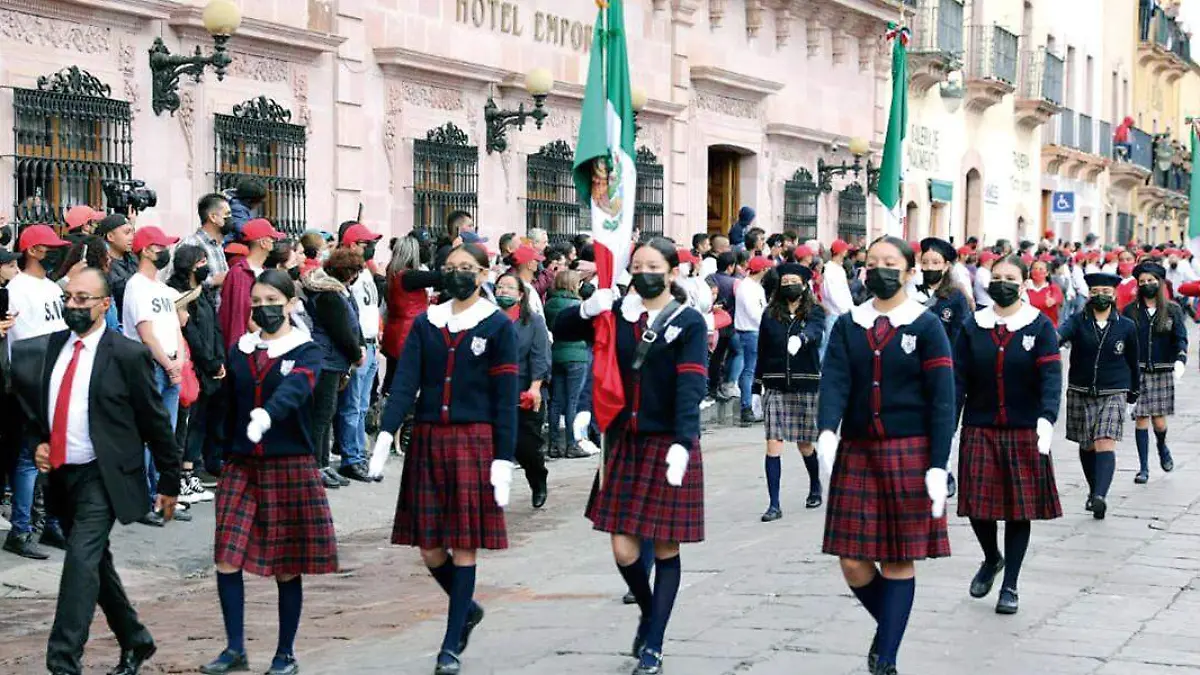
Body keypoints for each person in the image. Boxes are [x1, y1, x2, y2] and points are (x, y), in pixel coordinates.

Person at [12, 268, 179, 675]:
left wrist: (170, 482)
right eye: (70, 298)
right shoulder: (50, 347)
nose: (73, 305)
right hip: (61, 475)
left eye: (84, 300)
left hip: (104, 476)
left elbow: (155, 421)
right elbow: (35, 408)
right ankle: (136, 640)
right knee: (94, 563)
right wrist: (39, 443)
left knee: (79, 562)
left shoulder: (127, 354)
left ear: (106, 304)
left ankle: (63, 662)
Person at [553, 238, 708, 675]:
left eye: (653, 265)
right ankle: (648, 610)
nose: (644, 272)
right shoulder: (617, 314)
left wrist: (684, 440)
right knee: (623, 549)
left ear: (672, 272)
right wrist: (587, 309)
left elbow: (692, 382)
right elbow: (563, 330)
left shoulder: (688, 321)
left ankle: (654, 643)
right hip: (623, 439)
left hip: (666, 440)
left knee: (664, 546)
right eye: (637, 264)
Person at [369, 243, 518, 675]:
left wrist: (503, 459)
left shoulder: (496, 326)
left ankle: (450, 646)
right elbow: (405, 382)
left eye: (466, 268)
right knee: (430, 545)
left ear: (484, 272)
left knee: (465, 543)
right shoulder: (426, 323)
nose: (457, 274)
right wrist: (384, 434)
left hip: (475, 440)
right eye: (450, 268)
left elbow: (505, 397)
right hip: (430, 439)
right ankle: (466, 607)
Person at [816, 236, 954, 675]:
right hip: (858, 450)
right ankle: (890, 627)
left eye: (890, 263)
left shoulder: (926, 326)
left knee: (897, 556)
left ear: (910, 272)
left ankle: (886, 656)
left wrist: (938, 463)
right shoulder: (848, 324)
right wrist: (826, 431)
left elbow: (942, 399)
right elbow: (835, 381)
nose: (880, 269)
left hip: (908, 451)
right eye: (873, 262)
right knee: (853, 561)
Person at [201, 270, 335, 675]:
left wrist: (267, 415)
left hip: (289, 463)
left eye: (272, 300)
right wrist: (217, 452)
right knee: (226, 556)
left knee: (286, 563)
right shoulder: (239, 350)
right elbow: (223, 404)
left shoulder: (307, 350)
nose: (264, 308)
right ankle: (235, 648)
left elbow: (298, 388)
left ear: (291, 302)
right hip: (241, 464)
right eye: (256, 302)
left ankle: (284, 653)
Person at [954, 255, 1063, 616]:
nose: (1002, 283)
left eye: (1010, 278)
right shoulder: (974, 326)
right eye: (996, 276)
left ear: (1022, 283)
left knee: (1019, 510)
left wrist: (1046, 420)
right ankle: (991, 557)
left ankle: (1010, 584)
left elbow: (1050, 378)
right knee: (976, 505)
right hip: (980, 426)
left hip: (1024, 428)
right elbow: (957, 379)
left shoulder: (1039, 326)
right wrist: (946, 427)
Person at [3, 224, 70, 560]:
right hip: (33, 379)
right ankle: (21, 529)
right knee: (31, 458)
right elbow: (21, 342)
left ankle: (49, 524)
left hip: (55, 374)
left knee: (54, 456)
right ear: (32, 250)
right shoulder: (19, 287)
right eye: (48, 247)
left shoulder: (49, 287)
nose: (55, 252)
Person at [1057, 272, 1139, 519]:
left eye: (1106, 292)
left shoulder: (1126, 325)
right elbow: (1059, 335)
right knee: (1087, 444)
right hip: (1081, 389)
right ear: (1088, 295)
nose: (1100, 297)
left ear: (1114, 295)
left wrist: (1134, 392)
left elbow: (1133, 360)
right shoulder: (1077, 321)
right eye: (1095, 292)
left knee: (1105, 440)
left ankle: (1101, 496)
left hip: (1114, 390)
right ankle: (1093, 490)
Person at [122, 226, 187, 527]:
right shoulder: (137, 286)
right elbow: (146, 334)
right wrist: (168, 364)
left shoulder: (162, 289)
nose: (167, 252)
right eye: (162, 247)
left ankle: (166, 497)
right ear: (147, 250)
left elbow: (175, 327)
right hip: (150, 366)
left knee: (166, 438)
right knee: (148, 438)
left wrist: (179, 362)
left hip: (170, 365)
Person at [755, 262, 825, 521]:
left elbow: (817, 331)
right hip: (775, 384)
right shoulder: (770, 314)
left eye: (793, 282)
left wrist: (802, 338)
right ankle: (774, 504)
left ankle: (815, 484)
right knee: (773, 443)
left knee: (805, 443)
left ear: (805, 284)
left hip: (805, 382)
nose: (789, 287)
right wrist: (755, 384)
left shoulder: (815, 311)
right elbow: (762, 349)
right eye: (784, 283)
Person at [166, 245, 223, 502]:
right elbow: (190, 332)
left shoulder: (204, 292)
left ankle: (191, 472)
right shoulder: (177, 294)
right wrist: (208, 362)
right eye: (200, 263)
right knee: (185, 425)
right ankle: (179, 476)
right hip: (194, 366)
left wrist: (218, 360)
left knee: (199, 423)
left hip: (210, 365)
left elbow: (215, 327)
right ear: (189, 265)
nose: (205, 268)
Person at [302, 249, 363, 490]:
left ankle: (323, 463)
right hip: (326, 360)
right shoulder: (329, 294)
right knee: (322, 414)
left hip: (333, 360)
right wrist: (356, 353)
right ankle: (315, 466)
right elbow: (340, 330)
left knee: (327, 414)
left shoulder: (335, 291)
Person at [1122, 261, 1187, 484]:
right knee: (1140, 419)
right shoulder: (1130, 311)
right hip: (1137, 371)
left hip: (1162, 370)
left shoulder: (1173, 310)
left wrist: (1180, 359)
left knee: (1159, 422)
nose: (1147, 284)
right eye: (1142, 281)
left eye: (1151, 281)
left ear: (1159, 283)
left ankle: (1162, 447)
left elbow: (1181, 339)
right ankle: (1143, 468)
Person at [494, 271, 551, 508]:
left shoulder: (533, 321)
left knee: (527, 447)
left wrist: (535, 388)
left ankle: (538, 481)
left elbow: (540, 357)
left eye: (509, 287)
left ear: (520, 294)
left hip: (524, 391)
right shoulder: (489, 319)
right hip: (494, 393)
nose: (503, 291)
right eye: (499, 287)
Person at [335, 223, 383, 482]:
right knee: (352, 406)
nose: (370, 248)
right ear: (352, 245)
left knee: (362, 406)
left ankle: (360, 453)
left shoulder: (366, 273)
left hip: (372, 342)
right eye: (365, 244)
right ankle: (351, 457)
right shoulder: (348, 275)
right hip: (359, 345)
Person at [543, 269, 592, 460]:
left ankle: (553, 445)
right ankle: (571, 444)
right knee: (572, 401)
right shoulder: (578, 305)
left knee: (556, 401)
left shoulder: (549, 304)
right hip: (577, 354)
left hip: (557, 353)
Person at [219, 219, 284, 350]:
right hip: (250, 347)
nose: (274, 242)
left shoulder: (263, 271)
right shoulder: (239, 272)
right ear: (263, 243)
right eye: (272, 239)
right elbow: (243, 314)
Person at [734, 256, 773, 425]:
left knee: (753, 370)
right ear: (763, 270)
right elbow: (754, 313)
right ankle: (747, 407)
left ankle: (752, 406)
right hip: (750, 331)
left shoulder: (754, 287)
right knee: (750, 370)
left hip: (753, 331)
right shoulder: (747, 288)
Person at [915, 238, 971, 348]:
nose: (929, 267)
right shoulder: (912, 292)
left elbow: (959, 334)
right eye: (925, 262)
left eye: (936, 262)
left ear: (946, 266)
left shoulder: (956, 296)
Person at [93, 214, 138, 324]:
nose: (131, 237)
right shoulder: (104, 265)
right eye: (127, 233)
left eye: (133, 233)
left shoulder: (132, 259)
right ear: (110, 237)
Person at [822, 240, 854, 359]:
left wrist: (850, 309)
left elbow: (845, 292)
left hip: (843, 312)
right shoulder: (829, 269)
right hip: (834, 313)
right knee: (829, 344)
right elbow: (831, 293)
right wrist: (843, 309)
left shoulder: (839, 269)